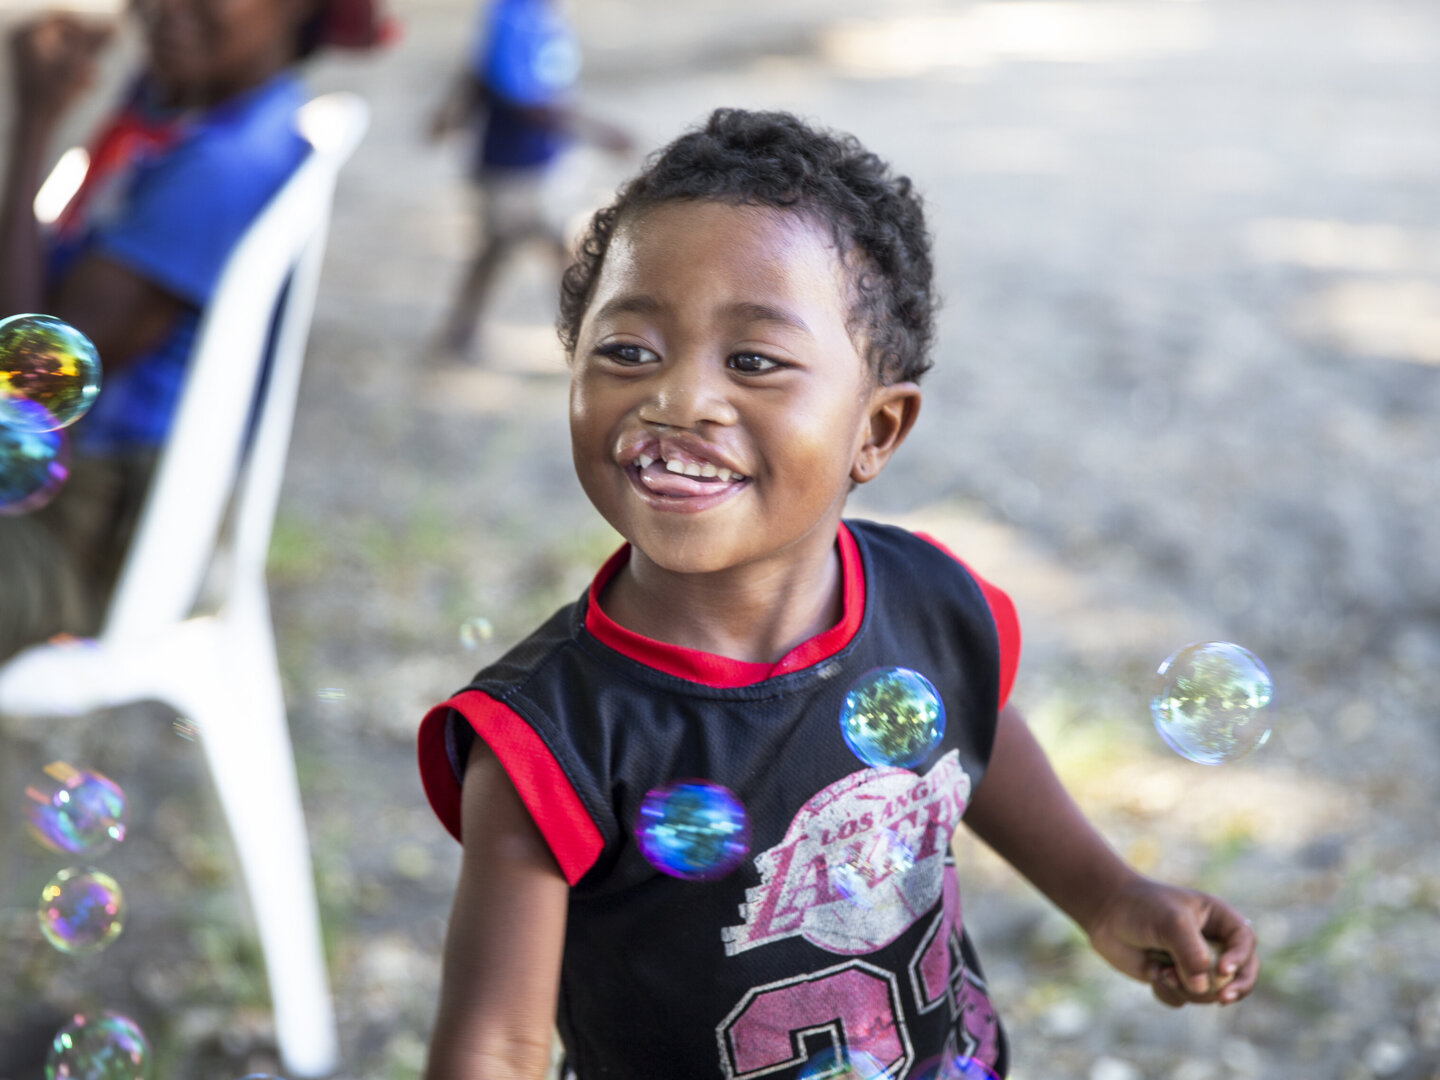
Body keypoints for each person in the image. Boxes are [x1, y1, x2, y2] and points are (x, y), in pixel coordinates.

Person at [416, 108, 1260, 1080]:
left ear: (878, 429)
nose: (679, 398)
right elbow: (497, 1044)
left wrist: (1107, 894)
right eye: (629, 351)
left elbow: (968, 731)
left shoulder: (930, 598)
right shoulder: (545, 738)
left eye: (754, 360)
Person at [0, 0, 392, 661]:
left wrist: (35, 121)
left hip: (64, 550)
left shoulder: (220, 167)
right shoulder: (197, 115)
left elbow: (29, 381)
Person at [428, 0, 630, 362]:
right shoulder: (515, 15)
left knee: (504, 249)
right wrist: (597, 130)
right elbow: (524, 96)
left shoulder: (538, 14)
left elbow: (484, 71)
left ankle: (459, 334)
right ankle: (588, 338)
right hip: (513, 165)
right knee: (554, 249)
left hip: (535, 162)